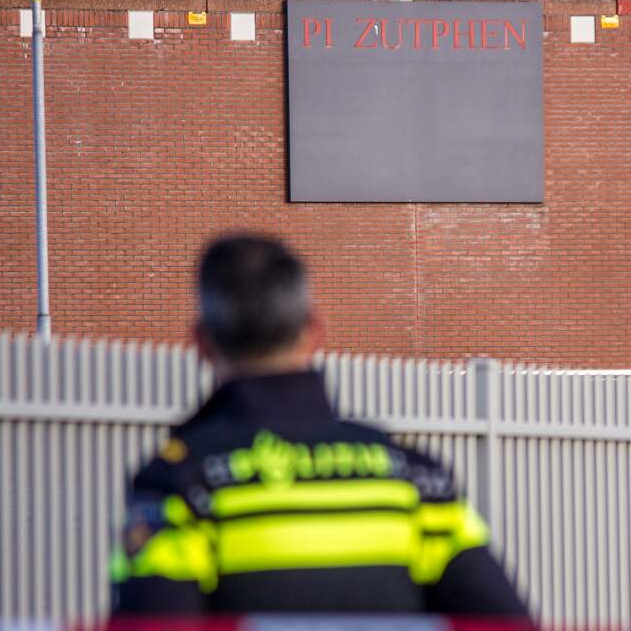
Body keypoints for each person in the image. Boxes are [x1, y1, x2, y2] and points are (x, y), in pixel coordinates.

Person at [110, 234, 527, 618]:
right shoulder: (413, 477)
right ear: (314, 332)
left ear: (201, 343)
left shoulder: (179, 482)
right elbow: (505, 623)